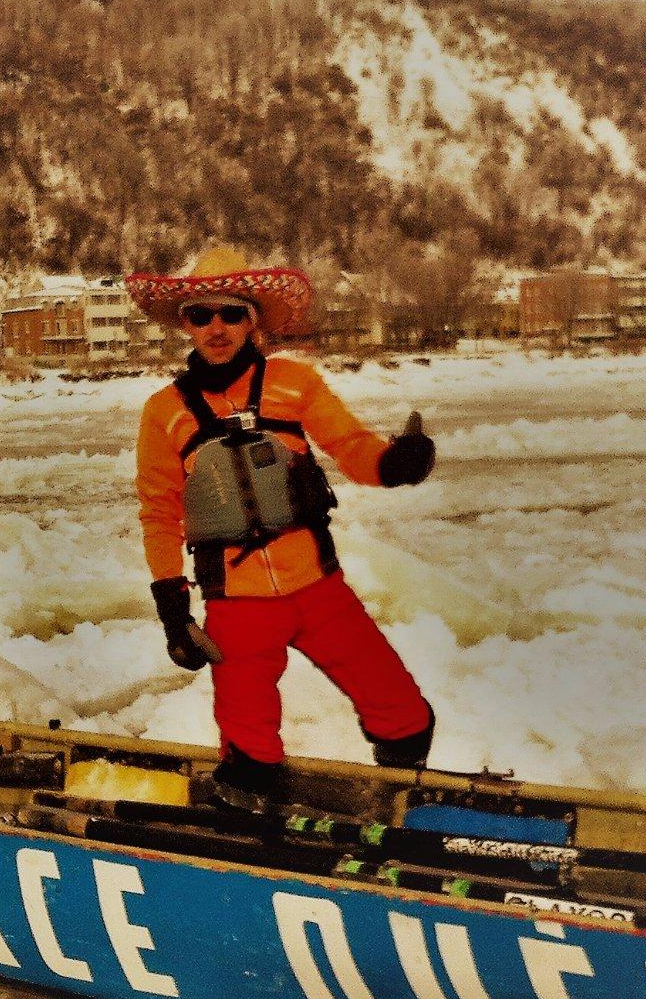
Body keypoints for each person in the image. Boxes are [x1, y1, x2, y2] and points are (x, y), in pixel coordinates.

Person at [129, 246, 438, 801]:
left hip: (318, 588)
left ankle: (405, 801)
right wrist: (172, 604)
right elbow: (159, 510)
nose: (216, 327)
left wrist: (395, 464)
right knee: (249, 757)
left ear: (253, 320)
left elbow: (351, 446)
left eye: (231, 313)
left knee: (405, 714)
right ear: (186, 324)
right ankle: (253, 823)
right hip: (235, 606)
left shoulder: (295, 382)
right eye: (201, 315)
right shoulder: (164, 410)